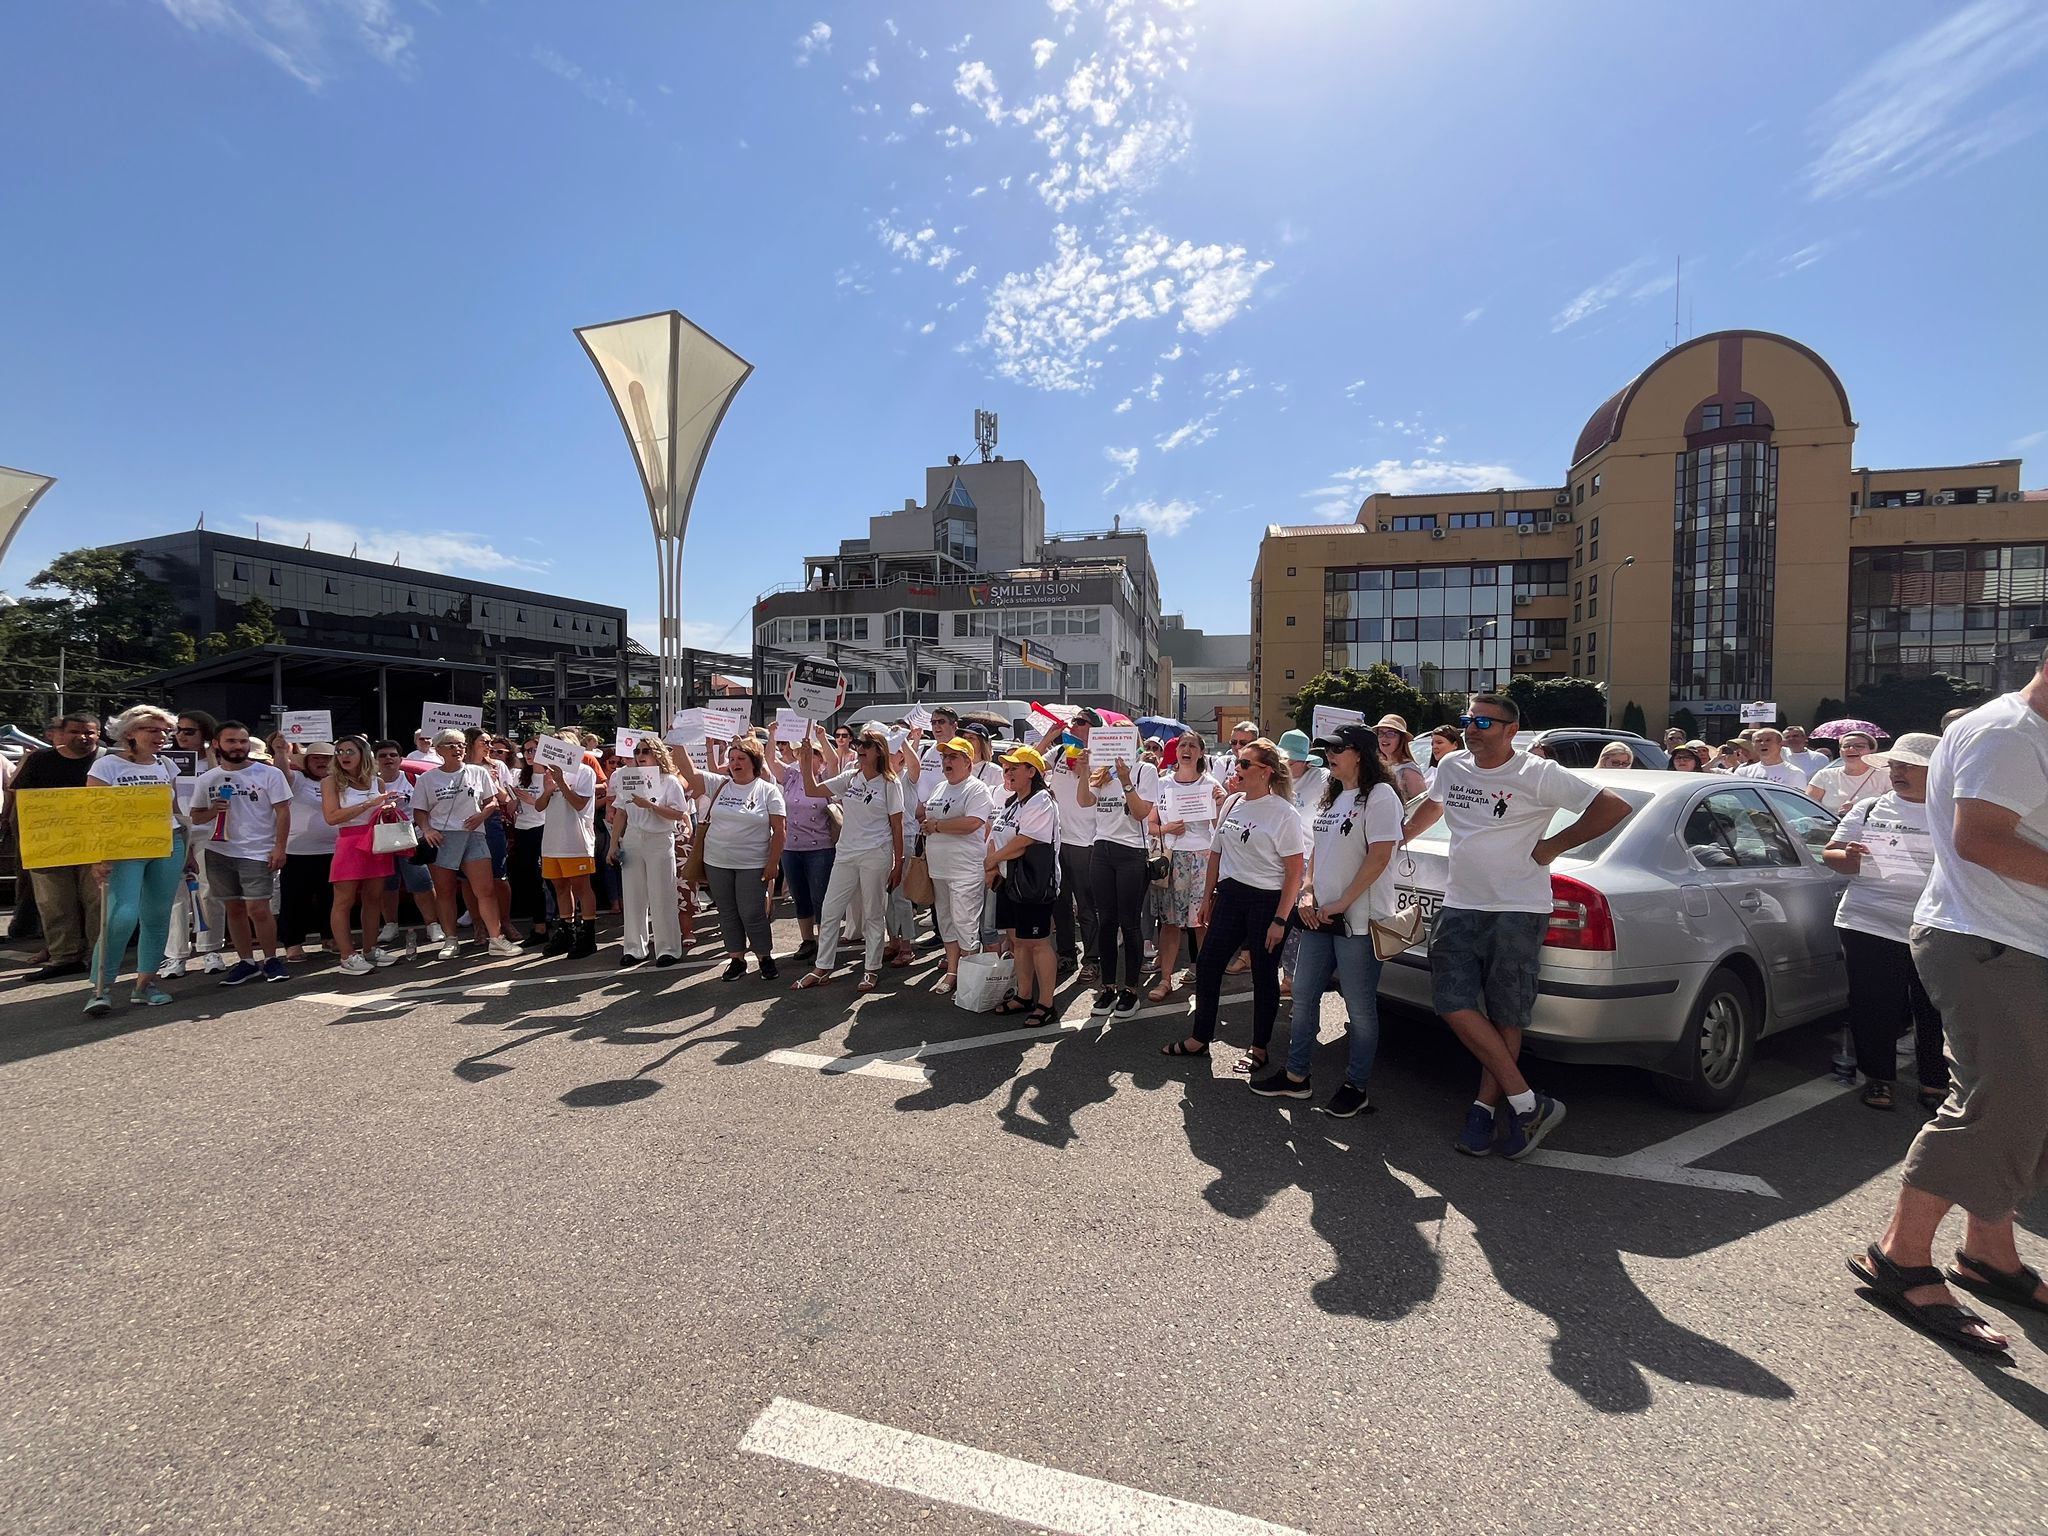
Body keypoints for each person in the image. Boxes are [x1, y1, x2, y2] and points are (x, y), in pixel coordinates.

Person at [1850, 658, 2048, 1357]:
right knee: (2001, 1100)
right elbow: (1981, 839)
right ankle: (1900, 1258)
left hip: (2020, 940)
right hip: (1988, 941)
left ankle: (1990, 1250)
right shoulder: (2010, 734)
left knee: (2031, 1106)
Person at [1402, 692, 1633, 1158]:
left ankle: (1484, 1111)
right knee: (1452, 1002)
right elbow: (1436, 805)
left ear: (1512, 730)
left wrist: (1553, 846)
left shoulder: (1538, 773)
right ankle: (1529, 1103)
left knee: (1506, 1011)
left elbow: (1612, 808)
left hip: (1518, 906)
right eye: (1468, 720)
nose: (1472, 729)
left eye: (1485, 722)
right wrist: (1398, 836)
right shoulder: (1452, 767)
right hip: (1462, 902)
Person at [1250, 722, 1403, 1116]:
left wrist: (1341, 902)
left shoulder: (1381, 795)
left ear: (1361, 753)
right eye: (1328, 749)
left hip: (1358, 922)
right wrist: (1308, 890)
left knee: (1359, 1008)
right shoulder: (1333, 796)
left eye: (1339, 748)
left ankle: (1357, 1085)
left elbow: (1380, 857)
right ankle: (1297, 1076)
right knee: (1302, 997)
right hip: (1320, 916)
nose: (1330, 755)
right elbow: (1318, 851)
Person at [1163, 737, 1306, 1069]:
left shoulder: (1284, 813)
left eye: (1244, 764)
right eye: (1237, 761)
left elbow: (1294, 872)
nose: (1236, 768)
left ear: (1266, 772)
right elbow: (1216, 852)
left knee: (1263, 974)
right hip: (1230, 895)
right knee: (1209, 964)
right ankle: (1200, 1038)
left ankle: (1259, 1048)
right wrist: (1207, 896)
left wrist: (1281, 919)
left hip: (1266, 900)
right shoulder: (1233, 802)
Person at [1821, 733, 1945, 1113]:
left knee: (1935, 1008)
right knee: (1875, 1004)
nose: (1898, 772)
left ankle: (1935, 1083)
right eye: (1894, 765)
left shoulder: (1953, 810)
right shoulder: (1869, 808)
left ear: (1936, 770)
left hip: (1937, 924)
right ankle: (1879, 1080)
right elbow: (1831, 853)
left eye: (1909, 765)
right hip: (1869, 920)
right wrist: (1850, 858)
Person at [81, 706, 184, 1015]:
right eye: (152, 730)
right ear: (130, 733)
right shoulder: (107, 765)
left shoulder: (166, 764)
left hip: (168, 844)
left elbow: (174, 808)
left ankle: (145, 984)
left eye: (165, 731)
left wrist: (187, 852)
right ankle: (101, 987)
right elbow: (92, 814)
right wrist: (96, 857)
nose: (162, 736)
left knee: (157, 915)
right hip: (123, 848)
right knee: (120, 916)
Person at [792, 728, 905, 993]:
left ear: (879, 750)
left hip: (875, 853)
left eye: (866, 744)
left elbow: (897, 826)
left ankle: (871, 969)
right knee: (830, 911)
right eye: (858, 743)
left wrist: (898, 863)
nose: (860, 747)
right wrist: (806, 761)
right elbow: (812, 789)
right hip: (846, 852)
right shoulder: (850, 777)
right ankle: (822, 968)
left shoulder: (891, 783)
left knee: (873, 914)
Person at [189, 721, 293, 985]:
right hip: (218, 851)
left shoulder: (269, 774)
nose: (238, 746)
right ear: (217, 744)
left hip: (257, 850)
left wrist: (280, 847)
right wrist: (214, 810)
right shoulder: (206, 779)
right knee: (233, 908)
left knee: (258, 908)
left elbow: (283, 812)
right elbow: (197, 817)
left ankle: (271, 958)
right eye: (231, 741)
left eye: (243, 741)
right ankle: (246, 961)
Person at [676, 735, 786, 979]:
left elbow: (780, 830)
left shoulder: (768, 791)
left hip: (752, 863)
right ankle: (736, 959)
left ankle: (764, 957)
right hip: (716, 862)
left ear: (754, 762)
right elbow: (688, 772)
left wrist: (772, 863)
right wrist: (677, 739)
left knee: (752, 912)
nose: (735, 763)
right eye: (732, 759)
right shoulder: (720, 784)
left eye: (741, 759)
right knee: (727, 911)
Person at [410, 728, 523, 962]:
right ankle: (451, 940)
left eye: (461, 744)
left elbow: (491, 801)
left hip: (474, 835)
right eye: (451, 745)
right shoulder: (428, 778)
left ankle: (496, 938)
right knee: (445, 892)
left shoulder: (477, 772)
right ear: (439, 749)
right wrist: (428, 829)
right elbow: (419, 810)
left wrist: (482, 815)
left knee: (486, 890)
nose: (457, 749)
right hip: (442, 837)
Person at [11, 712, 105, 980]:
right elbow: (22, 798)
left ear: (98, 734)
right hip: (49, 843)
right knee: (54, 903)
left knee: (98, 901)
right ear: (61, 733)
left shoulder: (109, 760)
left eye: (89, 732)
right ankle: (64, 957)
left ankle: (100, 955)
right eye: (75, 732)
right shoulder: (40, 760)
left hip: (96, 843)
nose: (83, 737)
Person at [1077, 731, 1159, 1019]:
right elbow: (1085, 802)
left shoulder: (1145, 770)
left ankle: (1131, 990)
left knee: (1130, 922)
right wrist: (1084, 770)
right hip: (1102, 849)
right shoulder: (1102, 771)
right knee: (1107, 921)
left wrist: (1126, 780)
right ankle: (1108, 987)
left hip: (1131, 852)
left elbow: (1140, 814)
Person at [982, 744, 1062, 1026]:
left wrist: (991, 861)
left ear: (1032, 772)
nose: (1008, 771)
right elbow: (999, 834)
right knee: (1018, 940)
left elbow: (1024, 841)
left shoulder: (1041, 801)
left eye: (1015, 767)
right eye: (1006, 767)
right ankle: (1025, 995)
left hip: (1032, 882)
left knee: (1037, 942)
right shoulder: (1013, 802)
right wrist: (993, 863)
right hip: (1009, 881)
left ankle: (1047, 1003)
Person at [1145, 730, 1223, 1002]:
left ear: (1201, 753)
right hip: (1172, 858)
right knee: (1169, 923)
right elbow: (1150, 825)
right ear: (1176, 752)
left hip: (1202, 857)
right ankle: (1165, 979)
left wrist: (1220, 803)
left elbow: (1219, 830)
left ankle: (1205, 976)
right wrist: (1167, 828)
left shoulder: (1211, 784)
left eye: (1192, 745)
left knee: (1201, 923)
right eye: (1182, 745)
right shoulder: (1163, 784)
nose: (1186, 749)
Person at [916, 735, 996, 994]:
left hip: (965, 869)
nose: (946, 761)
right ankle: (953, 971)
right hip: (939, 868)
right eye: (944, 757)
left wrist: (937, 826)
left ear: (968, 762)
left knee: (965, 922)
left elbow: (974, 822)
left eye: (953, 757)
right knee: (947, 921)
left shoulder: (976, 789)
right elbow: (928, 819)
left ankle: (971, 979)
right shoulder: (939, 788)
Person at [322, 735, 404, 975]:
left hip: (376, 841)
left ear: (363, 755)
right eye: (340, 752)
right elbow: (332, 817)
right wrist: (369, 805)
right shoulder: (331, 782)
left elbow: (378, 811)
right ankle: (347, 956)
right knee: (344, 901)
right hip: (349, 842)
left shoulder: (375, 781)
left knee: (374, 898)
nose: (344, 756)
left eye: (350, 751)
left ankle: (370, 948)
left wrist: (387, 808)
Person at [608, 737, 690, 967]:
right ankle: (634, 947)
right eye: (637, 751)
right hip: (633, 838)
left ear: (657, 754)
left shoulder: (669, 781)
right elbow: (621, 812)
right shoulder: (628, 777)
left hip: (659, 838)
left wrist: (651, 806)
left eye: (646, 751)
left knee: (661, 895)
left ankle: (668, 949)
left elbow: (678, 813)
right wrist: (614, 844)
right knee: (634, 896)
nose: (640, 755)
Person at [162, 709, 227, 978]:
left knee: (209, 891)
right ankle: (175, 955)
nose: (181, 736)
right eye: (178, 730)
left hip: (209, 830)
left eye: (189, 731)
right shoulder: (165, 761)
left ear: (205, 734)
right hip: (176, 829)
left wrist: (211, 752)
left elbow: (220, 783)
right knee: (176, 896)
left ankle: (211, 949)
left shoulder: (218, 761)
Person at [533, 732, 600, 959]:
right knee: (560, 887)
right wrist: (549, 788)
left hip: (576, 839)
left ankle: (588, 932)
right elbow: (539, 806)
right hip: (552, 840)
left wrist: (561, 781)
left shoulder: (585, 771)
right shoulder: (548, 774)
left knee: (581, 886)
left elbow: (580, 805)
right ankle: (566, 929)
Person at [270, 737, 338, 963]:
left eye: (326, 759)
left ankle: (330, 937)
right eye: (316, 758)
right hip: (299, 852)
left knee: (331, 898)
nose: (321, 762)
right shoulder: (296, 779)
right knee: (296, 900)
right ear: (306, 762)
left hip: (334, 851)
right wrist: (280, 751)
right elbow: (281, 774)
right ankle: (293, 943)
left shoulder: (339, 781)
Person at [372, 739, 446, 948]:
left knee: (421, 882)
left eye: (392, 755)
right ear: (376, 760)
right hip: (382, 838)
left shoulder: (415, 779)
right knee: (388, 884)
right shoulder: (371, 783)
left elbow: (431, 806)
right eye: (383, 756)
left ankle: (433, 925)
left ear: (400, 758)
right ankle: (390, 925)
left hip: (412, 837)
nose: (388, 759)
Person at [776, 724, 839, 962]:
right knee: (800, 896)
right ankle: (807, 940)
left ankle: (825, 944)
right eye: (802, 753)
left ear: (819, 758)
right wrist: (772, 736)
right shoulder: (791, 776)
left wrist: (822, 738)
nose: (805, 757)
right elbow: (770, 763)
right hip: (791, 848)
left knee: (820, 897)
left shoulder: (826, 778)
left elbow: (834, 762)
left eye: (811, 753)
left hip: (820, 847)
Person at [503, 738, 549, 947]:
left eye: (534, 750)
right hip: (523, 829)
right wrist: (514, 802)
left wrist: (531, 801)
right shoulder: (520, 774)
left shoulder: (550, 776)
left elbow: (553, 807)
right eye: (526, 750)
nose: (529, 754)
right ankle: (539, 927)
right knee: (530, 880)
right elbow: (512, 799)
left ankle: (561, 922)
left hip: (544, 829)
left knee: (550, 879)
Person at [1807, 731, 1886, 813]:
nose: (1851, 749)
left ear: (1871, 750)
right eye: (1846, 746)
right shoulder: (1824, 775)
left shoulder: (1885, 776)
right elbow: (1807, 807)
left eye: (1859, 746)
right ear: (1840, 751)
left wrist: (1858, 810)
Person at [1372, 715, 1428, 801]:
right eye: (1381, 733)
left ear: (1401, 739)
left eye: (1390, 734)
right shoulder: (1378, 766)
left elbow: (1421, 805)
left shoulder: (1408, 771)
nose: (1384, 738)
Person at [1732, 727, 1808, 788]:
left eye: (1768, 740)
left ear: (1780, 744)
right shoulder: (1742, 773)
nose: (1763, 743)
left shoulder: (1795, 773)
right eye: (1758, 741)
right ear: (1753, 745)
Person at [1423, 725, 1463, 790]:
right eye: (1432, 744)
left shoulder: (1463, 774)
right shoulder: (1431, 773)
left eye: (1439, 743)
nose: (1434, 747)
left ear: (1455, 745)